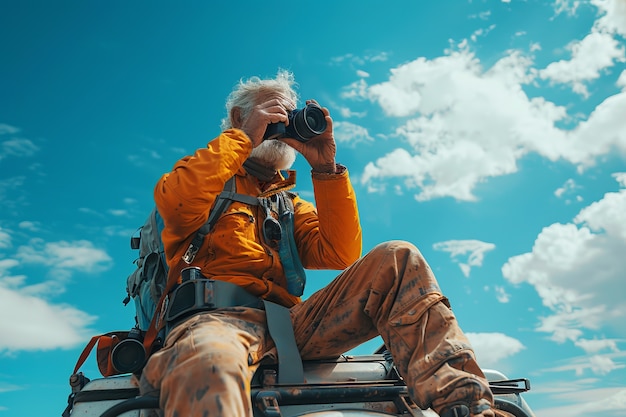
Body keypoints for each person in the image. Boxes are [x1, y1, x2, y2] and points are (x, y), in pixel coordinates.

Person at [138, 70, 499, 417]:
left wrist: (325, 168)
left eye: (288, 117)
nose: (281, 126)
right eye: (272, 116)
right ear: (238, 117)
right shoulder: (204, 176)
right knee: (210, 362)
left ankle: (468, 405)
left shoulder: (287, 205)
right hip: (214, 321)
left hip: (290, 325)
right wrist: (244, 137)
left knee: (397, 257)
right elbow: (179, 202)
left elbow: (339, 253)